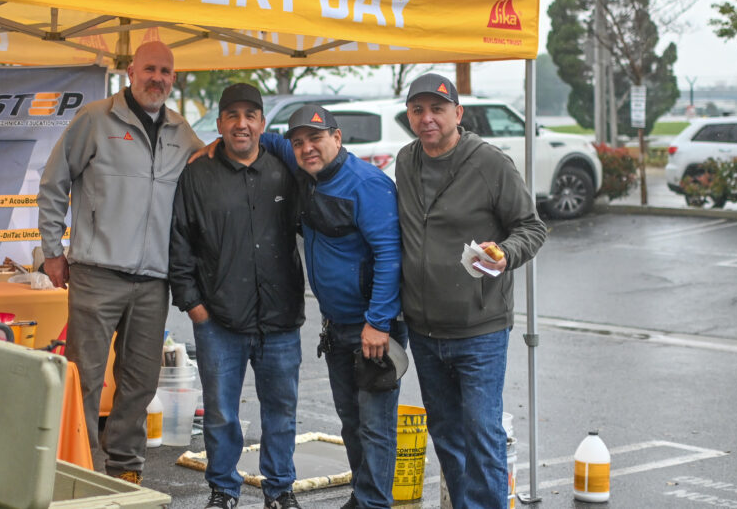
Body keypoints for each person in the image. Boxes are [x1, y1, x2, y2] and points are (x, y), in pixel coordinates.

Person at [37, 40, 202, 485]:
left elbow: (211, 170)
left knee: (140, 381)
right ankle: (78, 470)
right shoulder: (95, 119)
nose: (157, 78)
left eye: (165, 71)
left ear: (173, 78)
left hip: (154, 281)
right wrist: (51, 251)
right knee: (85, 379)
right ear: (131, 72)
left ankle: (126, 468)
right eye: (150, 69)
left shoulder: (181, 131)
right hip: (97, 273)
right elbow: (53, 183)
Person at [394, 73, 547, 509]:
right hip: (424, 329)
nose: (427, 118)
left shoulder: (489, 163)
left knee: (481, 433)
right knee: (446, 434)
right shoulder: (406, 160)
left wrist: (506, 254)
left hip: (479, 328)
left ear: (457, 113)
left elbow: (531, 228)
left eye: (437, 109)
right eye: (417, 110)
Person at [259, 105, 405, 509]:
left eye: (316, 138)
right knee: (352, 423)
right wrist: (217, 143)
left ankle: (374, 503)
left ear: (337, 138)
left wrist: (378, 323)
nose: (306, 148)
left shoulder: (367, 184)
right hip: (337, 325)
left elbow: (390, 256)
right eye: (299, 141)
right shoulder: (306, 168)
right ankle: (363, 496)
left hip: (372, 328)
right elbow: (263, 138)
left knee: (375, 426)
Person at [169, 83, 304, 509]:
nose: (241, 124)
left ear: (262, 122)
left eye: (250, 115)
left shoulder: (286, 170)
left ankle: (279, 491)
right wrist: (193, 305)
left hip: (281, 317)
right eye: (232, 115)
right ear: (220, 123)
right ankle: (223, 491)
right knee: (221, 413)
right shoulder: (197, 174)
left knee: (281, 412)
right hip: (219, 319)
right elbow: (180, 241)